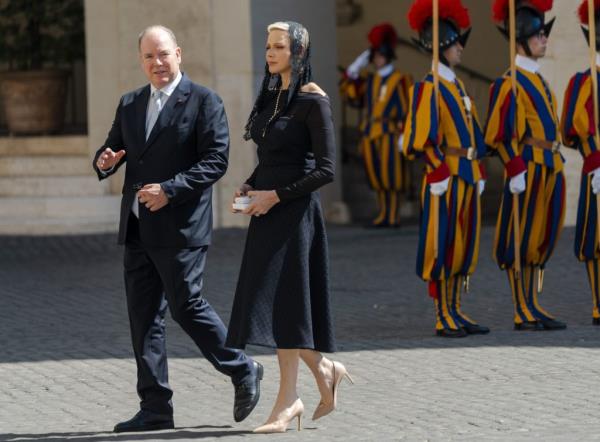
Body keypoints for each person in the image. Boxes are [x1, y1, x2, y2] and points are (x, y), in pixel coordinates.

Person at [92, 25, 262, 433]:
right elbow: (113, 147)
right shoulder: (131, 103)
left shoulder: (203, 101)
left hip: (181, 226)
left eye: (164, 54)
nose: (158, 63)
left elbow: (216, 160)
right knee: (144, 318)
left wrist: (170, 190)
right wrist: (106, 160)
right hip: (137, 227)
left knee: (187, 306)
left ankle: (243, 368)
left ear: (179, 54)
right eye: (149, 57)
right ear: (141, 61)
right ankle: (155, 407)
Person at [225, 21, 352, 433]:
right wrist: (252, 183)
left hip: (295, 214)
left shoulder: (314, 101)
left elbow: (326, 169)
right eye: (268, 47)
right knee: (272, 303)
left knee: (288, 306)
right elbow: (273, 155)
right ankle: (324, 370)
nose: (270, 53)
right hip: (267, 211)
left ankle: (288, 400)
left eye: (279, 46)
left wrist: (274, 195)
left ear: (298, 52)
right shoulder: (273, 97)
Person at [403, 0, 490, 338]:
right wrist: (437, 171)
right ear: (441, 46)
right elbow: (423, 138)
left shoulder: (455, 85)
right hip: (446, 176)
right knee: (443, 243)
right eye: (455, 43)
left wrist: (478, 169)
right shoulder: (430, 86)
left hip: (466, 172)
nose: (460, 49)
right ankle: (442, 314)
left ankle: (455, 308)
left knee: (463, 244)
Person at [485, 0, 566, 331]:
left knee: (541, 237)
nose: (544, 40)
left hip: (550, 164)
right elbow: (497, 134)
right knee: (521, 238)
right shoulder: (510, 82)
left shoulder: (539, 80)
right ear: (520, 41)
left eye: (544, 35)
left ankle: (533, 302)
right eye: (538, 35)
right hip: (528, 167)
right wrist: (514, 166)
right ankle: (521, 307)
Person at [340, 23, 413, 227]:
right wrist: (354, 69)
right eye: (375, 57)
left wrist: (404, 133)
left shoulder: (401, 79)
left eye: (380, 56)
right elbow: (353, 97)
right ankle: (383, 213)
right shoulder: (370, 80)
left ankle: (393, 215)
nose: (377, 60)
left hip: (390, 131)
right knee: (377, 176)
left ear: (388, 56)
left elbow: (407, 108)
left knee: (393, 176)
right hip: (371, 131)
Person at [561, 0, 600, 326]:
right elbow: (575, 127)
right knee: (596, 239)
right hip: (598, 167)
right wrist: (595, 159)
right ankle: (599, 302)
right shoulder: (586, 80)